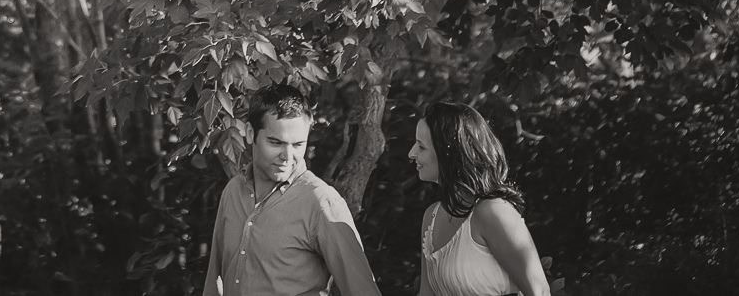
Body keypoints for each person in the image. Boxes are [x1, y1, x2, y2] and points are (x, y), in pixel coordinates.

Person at [201, 83, 384, 296]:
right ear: (251, 133)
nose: (288, 157)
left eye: (298, 145)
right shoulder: (233, 191)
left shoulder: (321, 202)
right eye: (276, 143)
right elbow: (214, 282)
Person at [408, 101, 550, 296]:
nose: (411, 153)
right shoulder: (431, 217)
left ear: (448, 153)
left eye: (421, 147)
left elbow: (539, 292)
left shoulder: (493, 212)